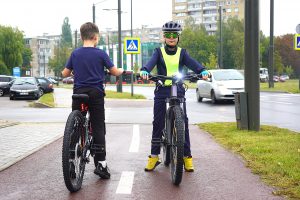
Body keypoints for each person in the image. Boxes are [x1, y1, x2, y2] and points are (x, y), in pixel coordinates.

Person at [140, 21, 210, 172]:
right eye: (168, 35)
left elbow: (194, 64)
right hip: (162, 89)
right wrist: (145, 70)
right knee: (157, 121)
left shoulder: (182, 53)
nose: (171, 38)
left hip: (177, 88)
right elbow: (149, 64)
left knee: (183, 121)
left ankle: (187, 157)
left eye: (174, 35)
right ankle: (154, 156)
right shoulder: (158, 52)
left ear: (178, 37)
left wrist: (202, 70)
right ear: (164, 37)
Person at [61, 22, 123, 179]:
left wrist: (70, 71)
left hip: (79, 94)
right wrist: (121, 70)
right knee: (98, 126)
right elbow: (114, 72)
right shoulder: (101, 54)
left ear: (81, 37)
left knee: (76, 126)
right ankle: (101, 164)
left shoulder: (75, 54)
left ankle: (69, 162)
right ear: (96, 37)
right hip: (95, 94)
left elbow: (64, 73)